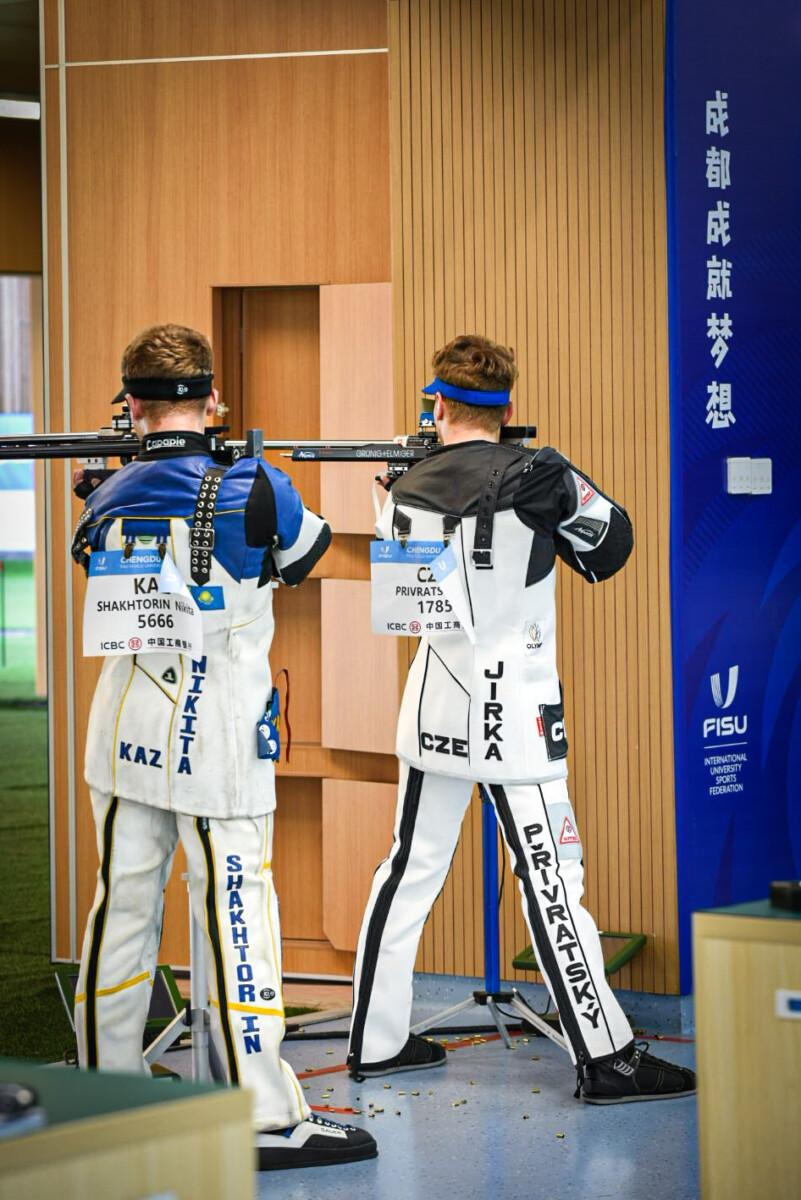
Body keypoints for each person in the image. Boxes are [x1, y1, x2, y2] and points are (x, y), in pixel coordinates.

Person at [347, 333, 696, 1104]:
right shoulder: (542, 474)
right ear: (506, 409)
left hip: (433, 701)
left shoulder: (402, 485)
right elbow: (610, 546)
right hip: (514, 710)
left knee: (406, 868)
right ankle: (605, 1057)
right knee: (550, 877)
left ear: (437, 405)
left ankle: (373, 1041)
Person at [71, 323, 376, 1169]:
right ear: (213, 398)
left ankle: (104, 1096)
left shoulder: (104, 494)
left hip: (124, 729)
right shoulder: (257, 484)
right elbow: (306, 554)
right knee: (237, 915)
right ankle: (261, 1115)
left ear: (132, 406)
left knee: (120, 911)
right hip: (217, 738)